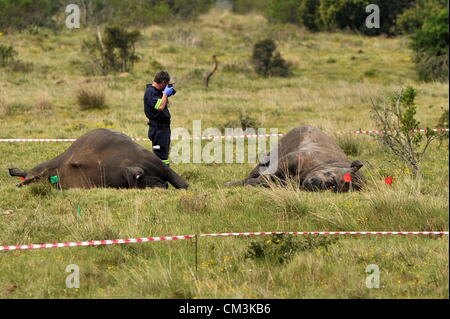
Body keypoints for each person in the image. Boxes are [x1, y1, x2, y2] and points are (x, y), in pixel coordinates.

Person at [144, 71, 176, 165]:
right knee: (160, 155)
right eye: (165, 84)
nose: (166, 86)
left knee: (163, 153)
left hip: (162, 129)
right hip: (158, 129)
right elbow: (160, 107)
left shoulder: (157, 92)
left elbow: (166, 104)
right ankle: (161, 177)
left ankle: (163, 175)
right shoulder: (152, 93)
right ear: (162, 82)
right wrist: (165, 94)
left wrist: (165, 95)